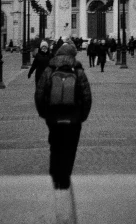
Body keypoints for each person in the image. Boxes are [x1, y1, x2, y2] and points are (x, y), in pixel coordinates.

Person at [35, 42, 92, 190]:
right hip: (73, 118)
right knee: (70, 147)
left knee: (55, 145)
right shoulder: (78, 70)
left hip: (53, 117)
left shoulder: (49, 69)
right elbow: (86, 96)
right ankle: (65, 178)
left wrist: (44, 113)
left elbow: (39, 93)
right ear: (73, 55)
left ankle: (55, 178)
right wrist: (82, 116)